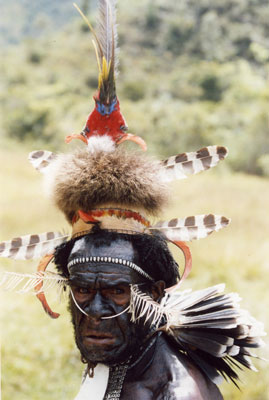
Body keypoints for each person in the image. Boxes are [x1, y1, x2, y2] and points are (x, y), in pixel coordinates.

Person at [0, 2, 264, 399]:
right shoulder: (119, 365)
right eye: (82, 290)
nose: (96, 312)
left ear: (155, 294)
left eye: (118, 292)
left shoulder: (173, 393)